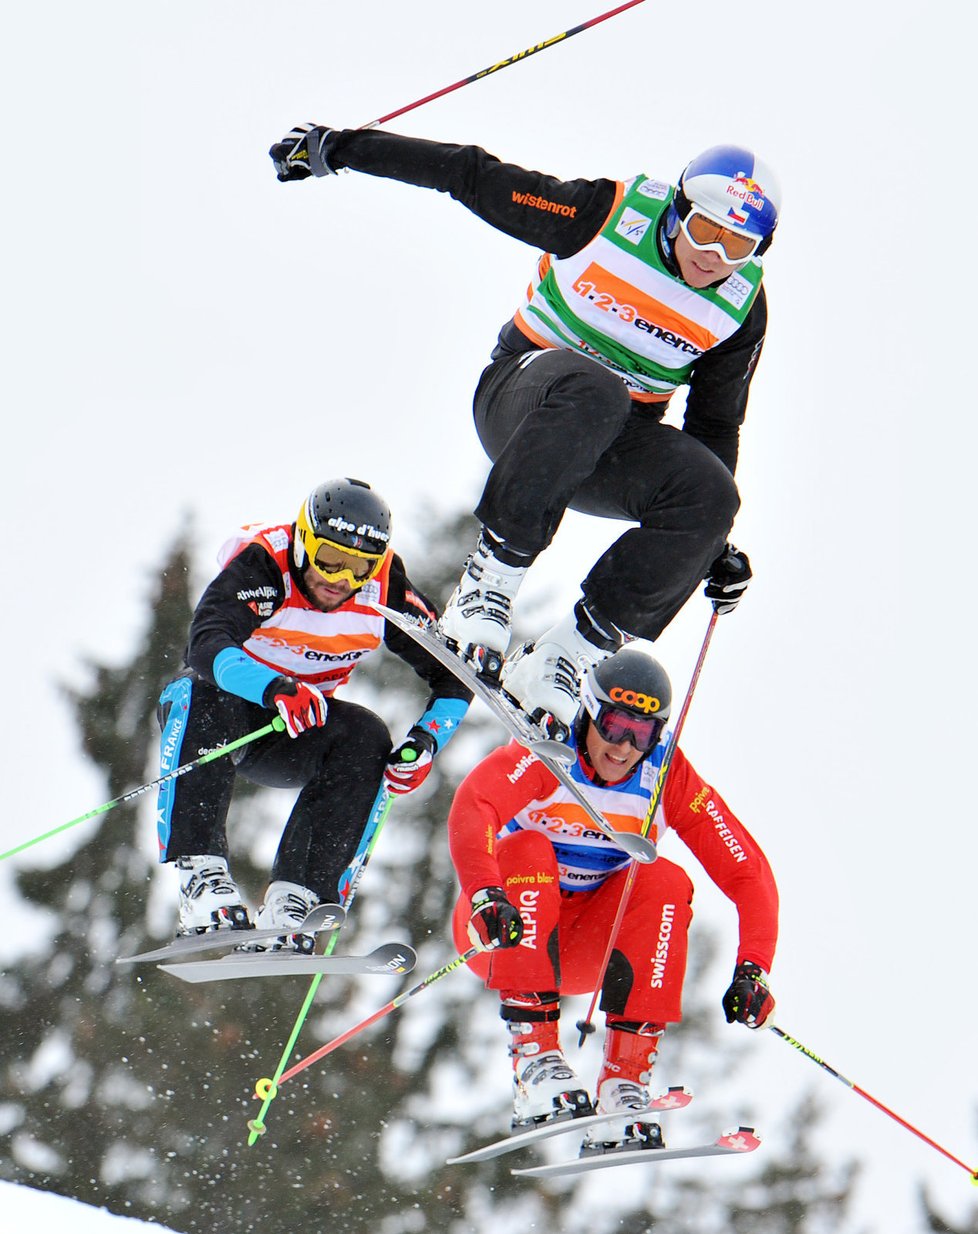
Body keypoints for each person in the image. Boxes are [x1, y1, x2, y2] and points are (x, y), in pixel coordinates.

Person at [268, 124, 777, 729]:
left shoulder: (741, 309)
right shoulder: (604, 217)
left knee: (712, 495)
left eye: (737, 247)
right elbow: (470, 174)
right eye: (704, 232)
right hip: (524, 398)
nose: (713, 258)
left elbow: (716, 425)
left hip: (611, 445)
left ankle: (569, 654)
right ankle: (487, 583)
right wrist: (339, 149)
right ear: (677, 210)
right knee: (597, 389)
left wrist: (709, 544)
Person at [446, 647, 778, 1150]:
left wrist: (754, 967)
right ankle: (534, 1061)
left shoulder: (665, 777)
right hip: (503, 931)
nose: (623, 747)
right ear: (587, 710)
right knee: (530, 849)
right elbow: (475, 805)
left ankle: (623, 1084)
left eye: (642, 734)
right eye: (615, 724)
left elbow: (747, 871)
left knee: (662, 878)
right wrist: (485, 893)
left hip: (589, 951)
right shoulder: (551, 748)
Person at [155, 477, 471, 949]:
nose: (340, 580)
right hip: (224, 718)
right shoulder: (265, 563)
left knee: (365, 734)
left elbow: (455, 675)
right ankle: (202, 876)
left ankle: (295, 899)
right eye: (329, 559)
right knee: (200, 693)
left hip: (292, 731)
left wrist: (426, 743)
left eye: (359, 567)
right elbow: (205, 643)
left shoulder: (384, 588)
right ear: (303, 540)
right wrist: (274, 688)